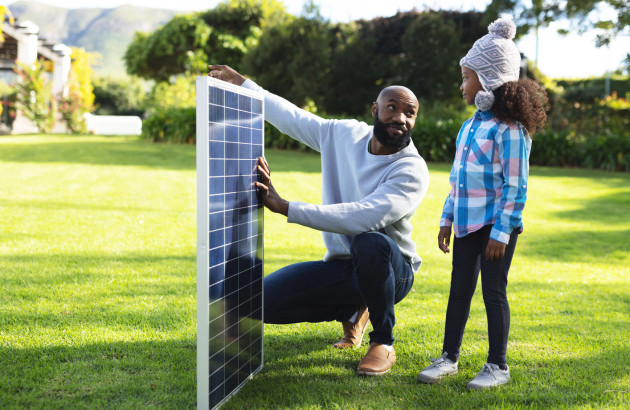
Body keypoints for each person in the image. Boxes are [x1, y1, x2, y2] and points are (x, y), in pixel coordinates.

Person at [208, 64, 429, 376]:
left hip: (394, 271)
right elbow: (293, 119)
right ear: (375, 110)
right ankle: (353, 309)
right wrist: (244, 84)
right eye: (392, 108)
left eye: (410, 113)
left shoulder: (411, 169)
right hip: (344, 265)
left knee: (370, 241)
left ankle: (383, 342)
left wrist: (285, 207)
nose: (400, 118)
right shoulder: (343, 135)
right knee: (255, 302)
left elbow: (363, 216)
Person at [416, 18, 547, 390]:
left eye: (467, 77)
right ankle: (449, 357)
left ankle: (497, 366)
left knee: (493, 292)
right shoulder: (470, 126)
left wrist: (502, 233)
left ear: (489, 79)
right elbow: (457, 180)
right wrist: (446, 219)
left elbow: (516, 187)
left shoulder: (511, 131)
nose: (462, 85)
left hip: (495, 228)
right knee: (459, 290)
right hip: (466, 224)